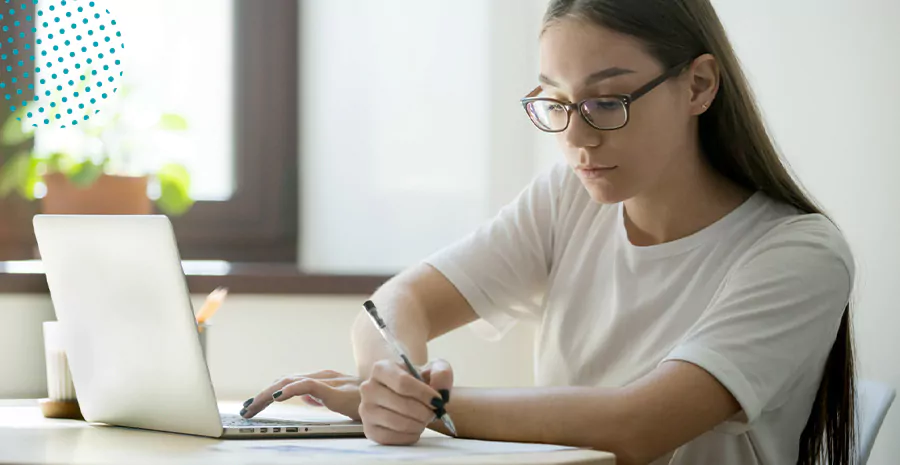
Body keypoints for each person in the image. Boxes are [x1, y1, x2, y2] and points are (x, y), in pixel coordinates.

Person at [241, 1, 856, 464]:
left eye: (607, 103)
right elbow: (398, 304)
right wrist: (391, 381)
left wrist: (430, 411)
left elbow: (639, 425)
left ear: (698, 85)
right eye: (556, 103)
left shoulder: (797, 253)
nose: (578, 139)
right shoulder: (570, 197)